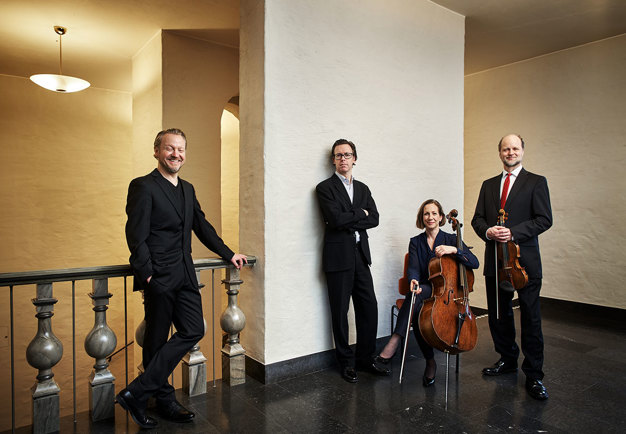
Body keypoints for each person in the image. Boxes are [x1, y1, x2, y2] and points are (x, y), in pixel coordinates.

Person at [116, 128, 247, 428]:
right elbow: (135, 236)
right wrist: (148, 276)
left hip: (186, 274)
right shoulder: (143, 186)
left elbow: (202, 226)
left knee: (192, 329)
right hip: (159, 277)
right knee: (156, 340)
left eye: (181, 149)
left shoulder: (187, 189)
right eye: (169, 148)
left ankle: (136, 392)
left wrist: (228, 253)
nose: (176, 154)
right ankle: (163, 400)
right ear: (157, 151)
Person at [471, 133, 552, 400]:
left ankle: (534, 375)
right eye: (506, 148)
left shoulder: (536, 182)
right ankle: (507, 359)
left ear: (522, 151)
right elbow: (477, 220)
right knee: (498, 314)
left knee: (530, 317)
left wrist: (512, 232)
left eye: (515, 148)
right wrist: (489, 232)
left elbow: (544, 219)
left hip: (524, 262)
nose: (510, 152)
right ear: (500, 153)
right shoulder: (489, 184)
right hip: (496, 261)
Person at [375, 199, 479, 386]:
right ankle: (429, 362)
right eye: (426, 214)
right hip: (424, 288)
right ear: (421, 218)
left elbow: (474, 262)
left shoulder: (450, 239)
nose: (430, 217)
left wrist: (454, 249)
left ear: (440, 217)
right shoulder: (416, 242)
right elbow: (413, 268)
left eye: (433, 213)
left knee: (416, 306)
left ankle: (395, 342)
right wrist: (413, 279)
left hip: (447, 292)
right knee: (416, 298)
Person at [315, 139, 389, 383]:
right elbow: (335, 220)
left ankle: (366, 358)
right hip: (338, 258)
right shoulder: (324, 188)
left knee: (369, 306)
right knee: (340, 312)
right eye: (338, 155)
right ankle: (346, 362)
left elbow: (375, 218)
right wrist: (360, 214)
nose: (343, 159)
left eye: (347, 155)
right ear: (334, 160)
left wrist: (351, 217)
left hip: (360, 255)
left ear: (355, 158)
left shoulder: (364, 189)